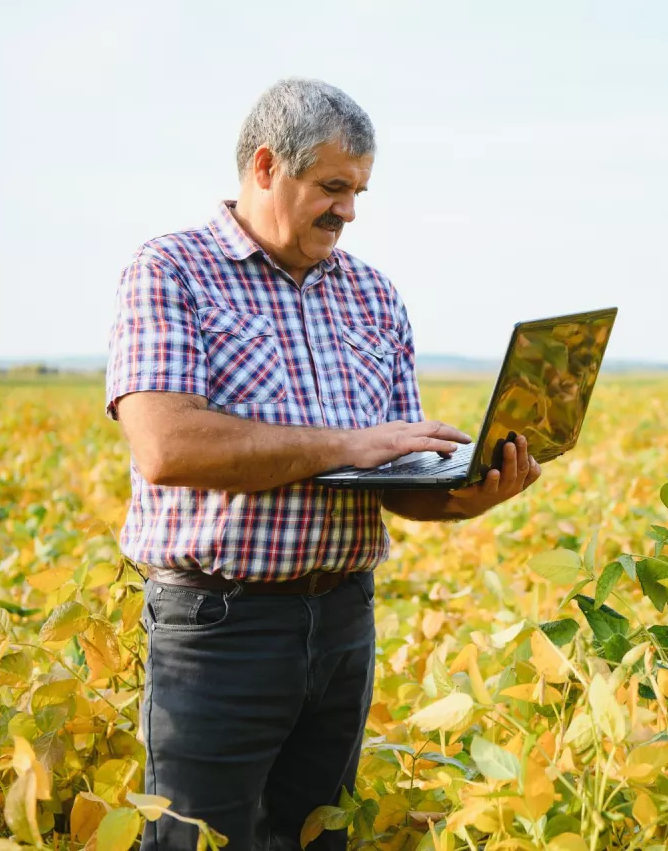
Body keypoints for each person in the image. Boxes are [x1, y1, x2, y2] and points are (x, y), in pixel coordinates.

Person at [105, 78, 541, 851]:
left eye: (358, 191)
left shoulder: (373, 294)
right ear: (266, 166)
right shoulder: (172, 270)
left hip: (343, 620)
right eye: (334, 188)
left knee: (314, 838)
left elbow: (395, 480)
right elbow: (168, 447)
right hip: (219, 627)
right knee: (194, 840)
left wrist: (469, 493)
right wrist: (347, 443)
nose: (349, 211)